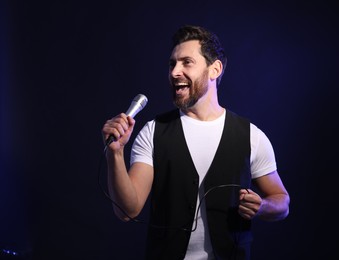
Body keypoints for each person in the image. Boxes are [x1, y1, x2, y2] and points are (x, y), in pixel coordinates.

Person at [101, 25, 290, 260]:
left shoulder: (251, 135)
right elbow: (128, 211)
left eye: (186, 62)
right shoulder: (153, 132)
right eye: (172, 64)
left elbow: (282, 202)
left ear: (215, 69)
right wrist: (115, 154)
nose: (174, 72)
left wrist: (262, 206)